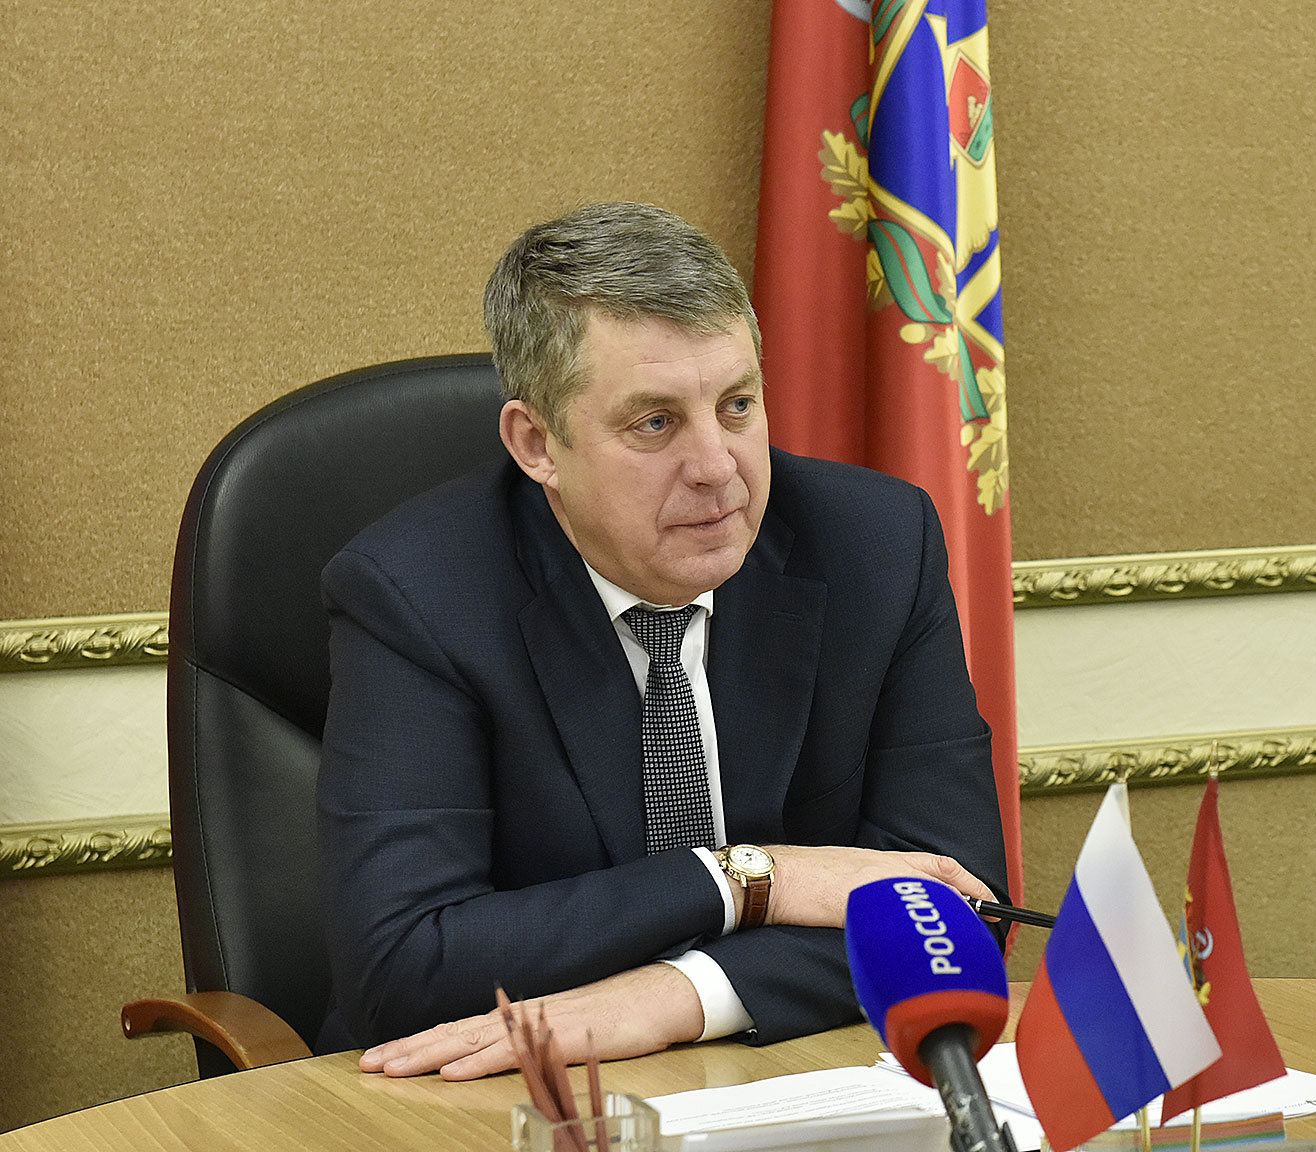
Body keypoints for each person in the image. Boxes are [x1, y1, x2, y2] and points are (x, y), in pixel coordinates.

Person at [315, 202, 1006, 1080]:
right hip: (494, 1099)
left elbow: (960, 908)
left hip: (776, 1076)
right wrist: (755, 878)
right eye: (655, 423)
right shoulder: (417, 595)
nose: (717, 466)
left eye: (737, 405)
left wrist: (681, 995)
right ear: (538, 444)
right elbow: (402, 966)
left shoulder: (876, 545)